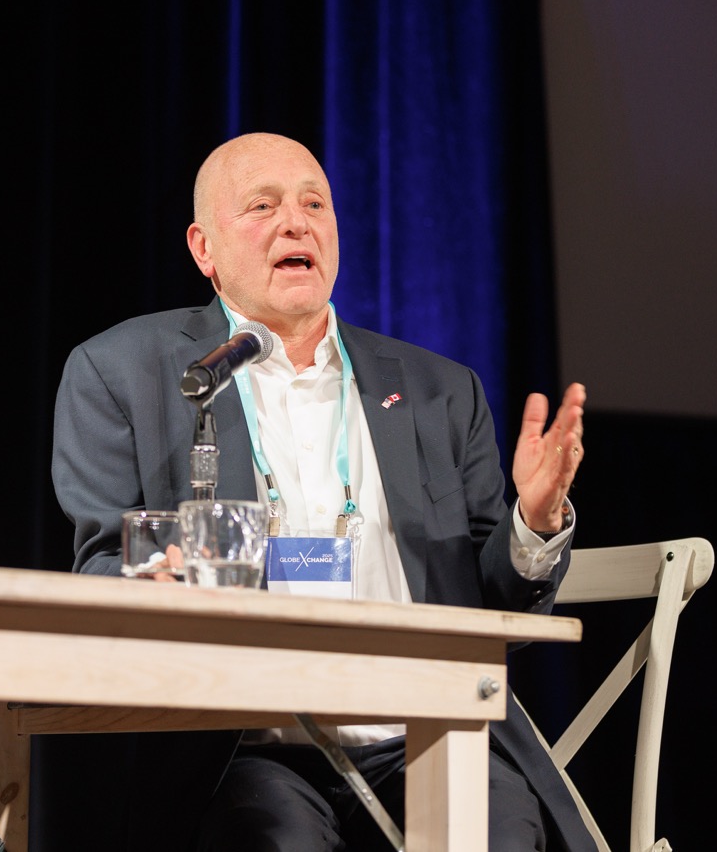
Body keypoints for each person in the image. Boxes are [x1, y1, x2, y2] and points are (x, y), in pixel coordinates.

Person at [52, 132, 591, 851]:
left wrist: (534, 519)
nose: (296, 222)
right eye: (263, 206)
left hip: (427, 734)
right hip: (247, 748)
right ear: (203, 249)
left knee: (492, 834)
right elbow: (98, 572)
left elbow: (494, 608)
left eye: (314, 203)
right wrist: (156, 577)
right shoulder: (124, 373)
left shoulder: (437, 390)